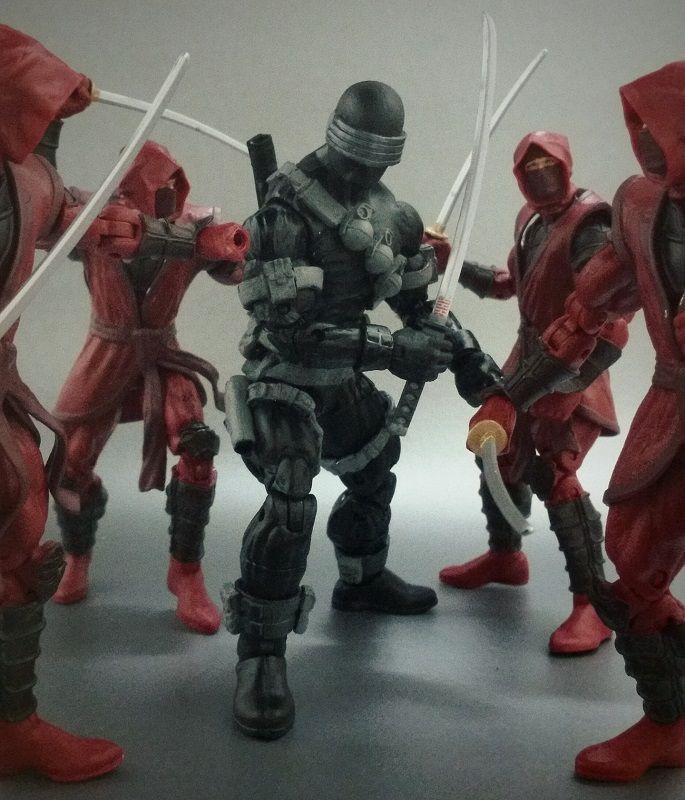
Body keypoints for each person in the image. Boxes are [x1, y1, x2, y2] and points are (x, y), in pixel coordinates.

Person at [223, 80, 502, 739]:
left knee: (375, 464)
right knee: (290, 498)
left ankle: (361, 580)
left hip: (343, 377)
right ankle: (260, 654)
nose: (363, 173)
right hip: (283, 378)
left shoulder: (392, 216)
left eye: (377, 161)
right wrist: (391, 350)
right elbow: (290, 332)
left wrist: (468, 359)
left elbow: (421, 305)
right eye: (357, 158)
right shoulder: (284, 215)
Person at [470, 61, 685, 782]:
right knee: (632, 564)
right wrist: (514, 393)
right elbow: (585, 314)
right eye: (636, 125)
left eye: (656, 125)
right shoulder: (638, 207)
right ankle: (669, 721)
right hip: (672, 402)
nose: (644, 140)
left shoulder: (593, 216)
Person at [52, 140, 249, 635]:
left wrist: (237, 250)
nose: (167, 196)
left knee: (197, 450)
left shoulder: (194, 226)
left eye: (173, 187)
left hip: (163, 354)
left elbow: (232, 265)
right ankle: (77, 556)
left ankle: (185, 571)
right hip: (106, 353)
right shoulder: (94, 217)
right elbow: (47, 223)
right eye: (157, 188)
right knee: (69, 463)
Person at [439, 132, 625, 654]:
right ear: (520, 177)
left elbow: (609, 322)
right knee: (495, 450)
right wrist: (453, 263)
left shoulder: (590, 227)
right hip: (528, 359)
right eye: (531, 171)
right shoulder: (532, 220)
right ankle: (506, 556)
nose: (542, 180)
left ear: (567, 166)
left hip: (573, 367)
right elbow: (510, 284)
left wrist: (569, 386)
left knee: (559, 475)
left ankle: (594, 605)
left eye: (551, 169)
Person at [0, 23, 123, 782]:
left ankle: (11, 726)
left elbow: (81, 215)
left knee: (18, 546)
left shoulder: (27, 179)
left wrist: (148, 230)